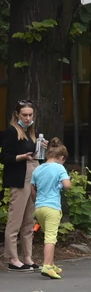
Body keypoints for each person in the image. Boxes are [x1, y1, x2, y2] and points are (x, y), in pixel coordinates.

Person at [1, 100, 44, 271]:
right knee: (15, 220)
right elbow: (5, 157)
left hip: (32, 176)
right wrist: (22, 157)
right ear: (17, 115)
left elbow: (36, 156)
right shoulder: (12, 132)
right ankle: (12, 258)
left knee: (29, 220)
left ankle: (28, 256)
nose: (27, 118)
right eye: (24, 115)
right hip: (19, 178)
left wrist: (41, 149)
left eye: (30, 115)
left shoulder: (32, 133)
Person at [31, 138, 71, 279]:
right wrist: (63, 183)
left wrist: (37, 201)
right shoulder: (59, 168)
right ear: (61, 157)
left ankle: (52, 263)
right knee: (51, 237)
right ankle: (47, 266)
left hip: (39, 207)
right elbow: (66, 185)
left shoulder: (38, 169)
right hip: (52, 207)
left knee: (47, 233)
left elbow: (32, 190)